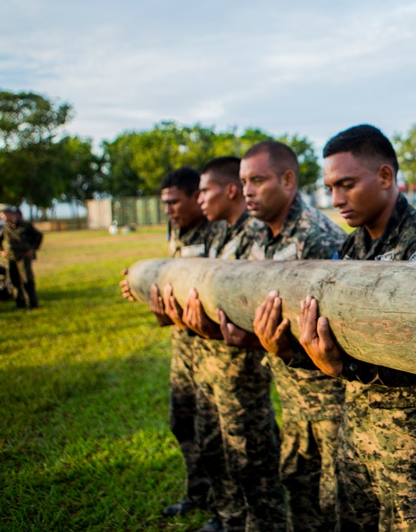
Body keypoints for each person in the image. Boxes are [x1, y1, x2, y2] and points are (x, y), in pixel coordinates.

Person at [295, 124, 416, 531]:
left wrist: (341, 367)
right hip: (358, 424)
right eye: (330, 187)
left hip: (415, 436)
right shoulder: (356, 245)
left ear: (386, 177)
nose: (335, 200)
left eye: (347, 184)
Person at [215, 140, 346, 532]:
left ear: (288, 180)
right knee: (299, 491)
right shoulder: (253, 236)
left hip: (331, 401)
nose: (246, 190)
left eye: (257, 179)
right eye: (243, 181)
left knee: (338, 501)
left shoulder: (319, 238)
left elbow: (340, 332)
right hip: (291, 396)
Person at [173, 156, 290, 532]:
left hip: (242, 369)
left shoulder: (256, 237)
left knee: (252, 459)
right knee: (218, 448)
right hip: (212, 362)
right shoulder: (220, 233)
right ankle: (229, 518)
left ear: (230, 190)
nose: (200, 198)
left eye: (205, 190)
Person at [137, 167, 221, 527]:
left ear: (196, 198)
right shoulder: (176, 229)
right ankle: (198, 491)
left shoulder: (218, 230)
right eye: (165, 203)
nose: (169, 209)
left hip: (215, 347)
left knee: (216, 430)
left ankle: (224, 508)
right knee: (182, 420)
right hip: (183, 343)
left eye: (175, 201)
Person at [0, 205, 43, 309]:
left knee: (27, 280)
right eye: (2, 217)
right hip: (10, 258)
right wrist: (1, 251)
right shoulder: (4, 228)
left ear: (12, 214)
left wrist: (32, 249)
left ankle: (32, 303)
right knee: (13, 280)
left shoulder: (25, 225)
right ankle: (19, 303)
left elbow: (38, 236)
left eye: (5, 216)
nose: (4, 219)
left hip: (23, 257)